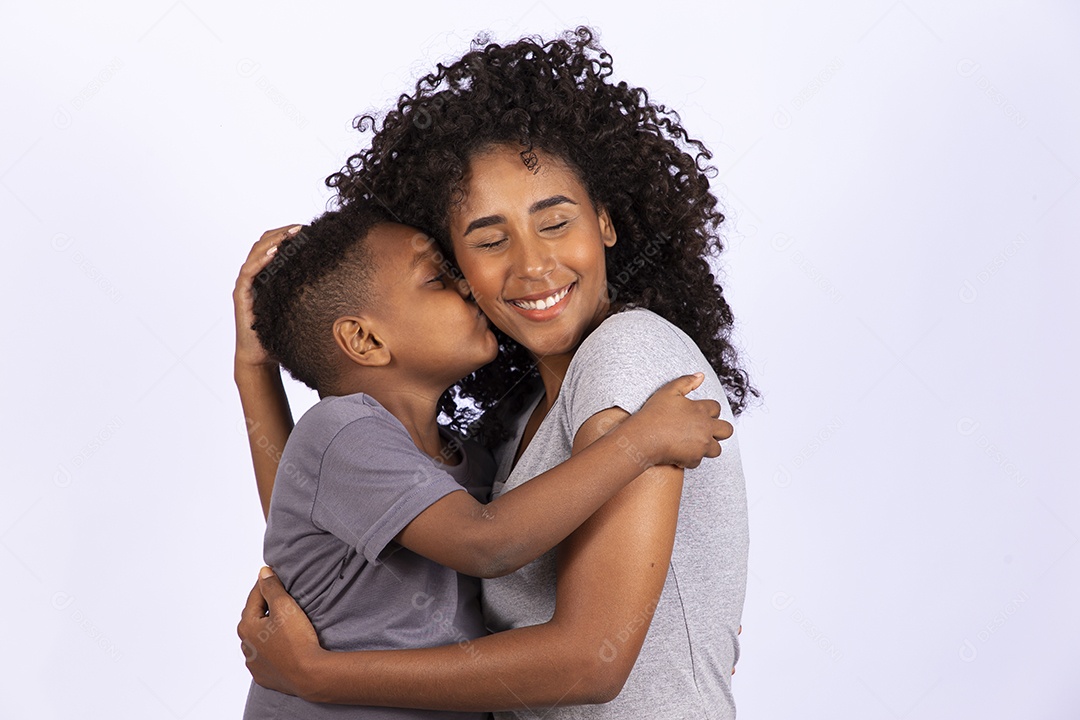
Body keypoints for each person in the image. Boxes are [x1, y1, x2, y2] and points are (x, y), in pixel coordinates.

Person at [236, 27, 755, 719]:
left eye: (555, 220)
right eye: (484, 242)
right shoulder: (504, 431)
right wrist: (253, 370)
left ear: (606, 221)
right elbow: (338, 528)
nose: (531, 265)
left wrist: (320, 676)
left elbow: (585, 661)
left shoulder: (625, 355)